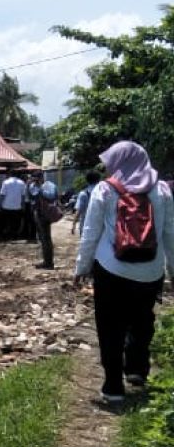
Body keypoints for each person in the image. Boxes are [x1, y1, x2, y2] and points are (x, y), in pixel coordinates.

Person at [73, 141, 174, 403]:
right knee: (142, 320)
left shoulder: (105, 189)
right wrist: (172, 271)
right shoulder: (162, 189)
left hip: (111, 269)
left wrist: (82, 267)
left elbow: (91, 232)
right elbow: (170, 234)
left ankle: (113, 387)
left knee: (110, 327)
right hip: (150, 271)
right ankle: (137, 369)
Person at [27, 172, 57, 268]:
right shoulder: (32, 185)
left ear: (41, 177)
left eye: (36, 178)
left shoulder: (49, 185)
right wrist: (28, 187)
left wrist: (40, 188)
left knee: (46, 238)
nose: (35, 180)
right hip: (38, 213)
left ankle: (49, 262)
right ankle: (46, 261)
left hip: (46, 214)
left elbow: (52, 196)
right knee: (42, 238)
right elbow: (31, 197)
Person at [72, 171, 101, 235]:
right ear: (99, 180)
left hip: (86, 227)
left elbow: (78, 211)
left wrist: (73, 225)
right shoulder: (103, 193)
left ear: (87, 180)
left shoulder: (83, 194)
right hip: (100, 227)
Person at [0, 171, 27, 239]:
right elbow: (23, 196)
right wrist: (23, 206)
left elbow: (2, 194)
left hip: (6, 206)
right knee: (15, 222)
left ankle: (7, 236)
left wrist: (0, 203)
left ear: (10, 174)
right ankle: (14, 236)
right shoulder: (22, 183)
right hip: (17, 206)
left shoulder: (5, 182)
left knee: (7, 222)